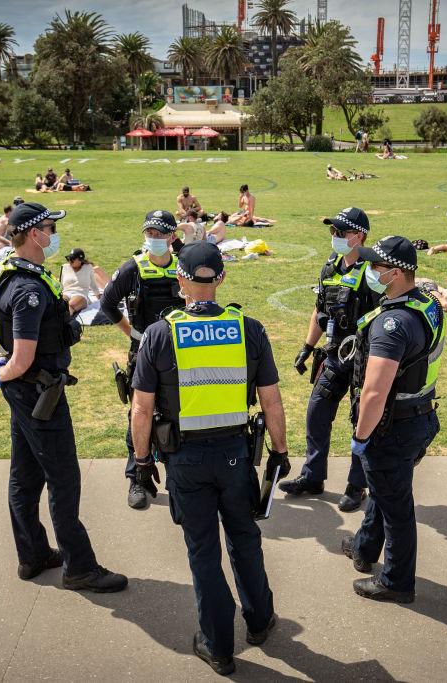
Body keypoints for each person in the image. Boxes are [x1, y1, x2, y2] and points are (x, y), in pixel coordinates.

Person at [129, 240, 290, 675]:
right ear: (221, 278)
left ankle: (217, 645)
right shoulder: (248, 328)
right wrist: (280, 452)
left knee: (203, 551)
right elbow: (271, 400)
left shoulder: (162, 333)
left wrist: (142, 463)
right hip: (236, 455)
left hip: (185, 460)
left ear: (180, 279)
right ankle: (259, 620)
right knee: (245, 539)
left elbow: (141, 408)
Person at [0, 202, 127, 592]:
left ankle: (33, 555)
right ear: (33, 234)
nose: (53, 233)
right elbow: (23, 357)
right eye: (48, 227)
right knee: (63, 477)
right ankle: (79, 566)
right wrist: (0, 374)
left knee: (25, 474)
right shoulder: (27, 289)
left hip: (26, 391)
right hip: (38, 392)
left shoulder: (16, 271)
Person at [342, 235, 446, 604]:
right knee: (385, 491)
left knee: (396, 507)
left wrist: (362, 435)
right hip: (419, 416)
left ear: (397, 273)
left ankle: (397, 581)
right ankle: (365, 548)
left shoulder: (392, 325)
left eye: (376, 267)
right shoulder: (427, 304)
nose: (369, 271)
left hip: (392, 426)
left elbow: (374, 391)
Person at [280, 208, 380, 512]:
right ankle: (312, 477)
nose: (335, 237)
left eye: (341, 232)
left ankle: (356, 485)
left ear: (359, 236)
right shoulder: (330, 269)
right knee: (317, 413)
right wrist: (307, 347)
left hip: (364, 359)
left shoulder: (373, 273)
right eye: (333, 232)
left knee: (359, 419)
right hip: (335, 355)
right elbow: (319, 311)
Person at [99, 210, 187, 509]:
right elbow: (108, 303)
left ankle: (181, 478)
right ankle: (138, 477)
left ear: (172, 236)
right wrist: (133, 334)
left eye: (160, 234)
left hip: (181, 354)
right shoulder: (131, 269)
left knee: (179, 413)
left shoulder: (183, 265)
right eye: (149, 233)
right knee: (140, 414)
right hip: (143, 354)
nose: (154, 239)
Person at [61, 247, 107, 315]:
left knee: (71, 305)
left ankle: (62, 323)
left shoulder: (88, 267)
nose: (69, 261)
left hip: (80, 293)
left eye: (72, 259)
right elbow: (61, 284)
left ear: (80, 260)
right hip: (66, 292)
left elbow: (93, 284)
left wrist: (98, 295)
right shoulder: (64, 267)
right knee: (59, 306)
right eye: (69, 258)